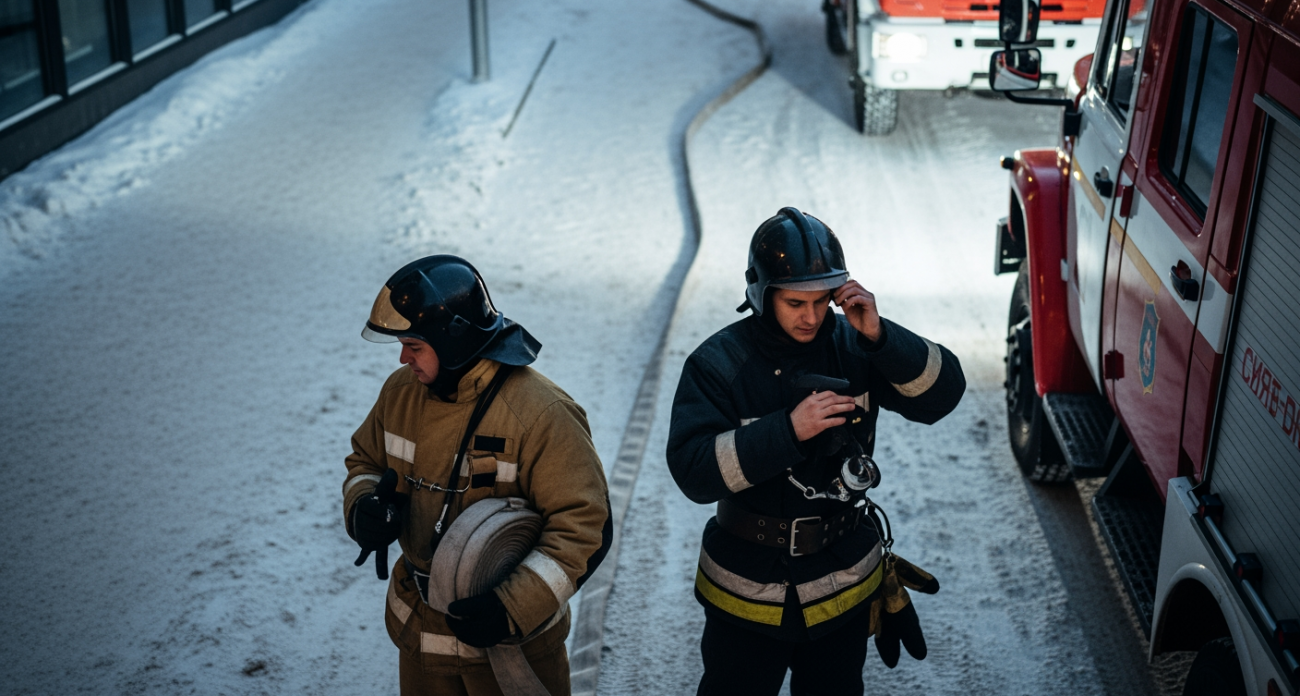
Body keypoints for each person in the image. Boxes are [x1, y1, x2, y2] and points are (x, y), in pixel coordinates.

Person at [666, 208, 965, 695]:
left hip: (841, 586)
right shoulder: (717, 364)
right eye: (794, 303)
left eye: (823, 301)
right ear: (761, 295)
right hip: (746, 593)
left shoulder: (855, 346)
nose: (811, 317)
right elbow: (693, 471)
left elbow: (943, 395)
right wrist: (786, 431)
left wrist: (880, 336)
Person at [342, 255, 611, 695]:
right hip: (420, 642)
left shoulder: (541, 414)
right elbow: (364, 463)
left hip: (511, 650)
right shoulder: (400, 394)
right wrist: (364, 507)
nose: (402, 356)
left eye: (414, 344)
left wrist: (511, 607)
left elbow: (583, 528)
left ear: (453, 342)